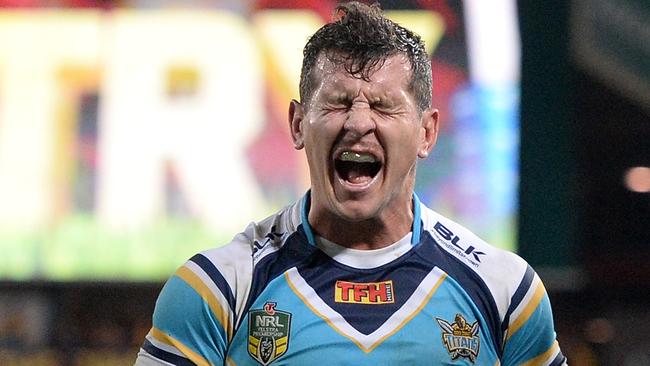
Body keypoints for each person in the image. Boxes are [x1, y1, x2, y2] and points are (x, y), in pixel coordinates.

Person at [135, 2, 567, 365]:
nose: (359, 123)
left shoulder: (505, 291)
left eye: (383, 106)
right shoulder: (217, 290)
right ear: (299, 124)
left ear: (427, 133)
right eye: (338, 103)